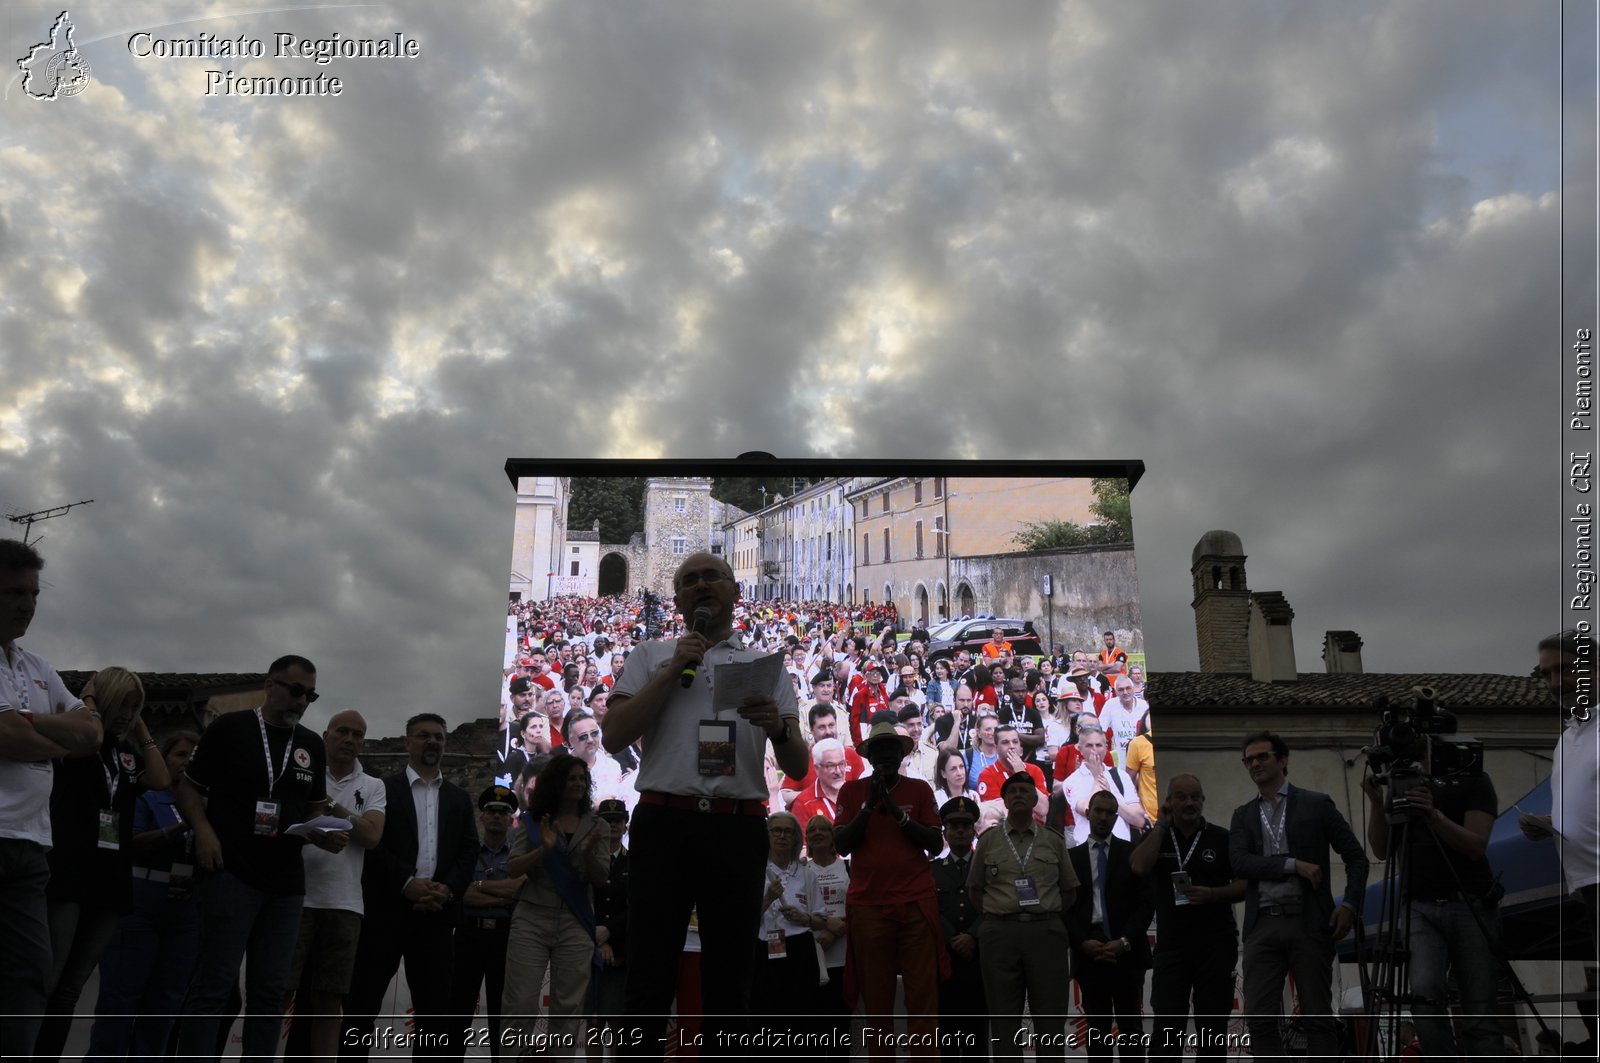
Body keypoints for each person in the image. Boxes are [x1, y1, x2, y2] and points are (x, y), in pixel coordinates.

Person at [601, 551, 807, 1054]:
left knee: (731, 978)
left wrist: (777, 727)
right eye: (689, 581)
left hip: (735, 829)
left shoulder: (765, 666)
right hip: (663, 822)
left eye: (712, 576)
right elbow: (613, 735)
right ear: (677, 601)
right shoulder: (651, 655)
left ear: (736, 593)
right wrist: (673, 671)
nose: (701, 586)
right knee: (648, 973)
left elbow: (798, 766)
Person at [175, 655, 327, 1063]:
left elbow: (313, 811)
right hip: (231, 873)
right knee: (214, 986)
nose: (301, 701)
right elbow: (188, 790)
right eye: (295, 691)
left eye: (310, 695)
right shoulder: (229, 728)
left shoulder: (311, 745)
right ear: (270, 685)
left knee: (271, 993)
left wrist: (325, 833)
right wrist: (204, 833)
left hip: (286, 885)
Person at [36, 667, 171, 1060]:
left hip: (110, 880)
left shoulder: (128, 754)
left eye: (135, 706)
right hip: (69, 872)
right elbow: (87, 737)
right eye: (122, 704)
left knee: (72, 986)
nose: (127, 713)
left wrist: (141, 724)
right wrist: (91, 704)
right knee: (49, 978)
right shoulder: (79, 741)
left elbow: (161, 779)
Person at [0, 538, 101, 1057]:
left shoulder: (37, 664)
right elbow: (10, 738)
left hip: (32, 847)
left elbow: (92, 735)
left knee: (30, 979)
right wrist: (52, 735)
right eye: (15, 592)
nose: (28, 604)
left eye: (34, 593)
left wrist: (29, 724)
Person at [341, 713, 478, 1059]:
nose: (432, 742)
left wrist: (447, 889)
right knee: (361, 1007)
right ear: (407, 742)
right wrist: (406, 883)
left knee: (433, 1016)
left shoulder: (459, 798)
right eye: (423, 736)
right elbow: (373, 846)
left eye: (438, 737)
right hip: (385, 914)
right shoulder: (382, 789)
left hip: (437, 916)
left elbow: (468, 849)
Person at [1229, 731, 1368, 1062]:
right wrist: (1293, 864)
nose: (1256, 763)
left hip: (1308, 923)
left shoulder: (1316, 803)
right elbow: (1239, 863)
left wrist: (1349, 905)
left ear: (1283, 760)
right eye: (1249, 759)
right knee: (1260, 1020)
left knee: (1318, 1019)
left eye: (1263, 756)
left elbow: (1357, 858)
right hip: (1262, 926)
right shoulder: (1244, 814)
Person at [1361, 757, 1501, 1057]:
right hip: (1418, 906)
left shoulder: (1472, 779)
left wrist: (1433, 815)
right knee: (1423, 998)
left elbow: (1476, 846)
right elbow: (1381, 849)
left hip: (1469, 902)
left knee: (1479, 1011)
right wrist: (1376, 802)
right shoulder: (1399, 784)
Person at [87, 729, 203, 1059]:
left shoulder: (205, 804)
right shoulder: (146, 795)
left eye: (194, 758)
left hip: (184, 908)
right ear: (164, 759)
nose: (187, 762)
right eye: (180, 755)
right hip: (142, 899)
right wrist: (179, 828)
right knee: (121, 997)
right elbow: (130, 843)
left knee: (167, 1001)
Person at [832, 720, 945, 1057]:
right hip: (870, 905)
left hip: (915, 903)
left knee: (922, 1000)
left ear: (901, 754)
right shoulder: (851, 792)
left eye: (890, 749)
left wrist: (897, 814)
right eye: (878, 750)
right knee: (876, 1002)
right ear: (868, 757)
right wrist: (869, 805)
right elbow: (841, 844)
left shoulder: (920, 789)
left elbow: (936, 843)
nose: (884, 756)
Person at [284, 709, 388, 1062]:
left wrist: (327, 804)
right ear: (326, 735)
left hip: (344, 904)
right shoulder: (301, 774)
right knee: (279, 991)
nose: (349, 739)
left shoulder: (373, 785)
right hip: (294, 895)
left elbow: (372, 836)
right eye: (342, 731)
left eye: (357, 734)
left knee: (330, 998)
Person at [1129, 774, 1243, 1062]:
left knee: (1212, 1029)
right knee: (1167, 1029)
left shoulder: (1221, 837)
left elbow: (1245, 885)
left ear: (1203, 801)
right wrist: (1161, 825)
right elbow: (1139, 867)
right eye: (1181, 796)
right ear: (1169, 802)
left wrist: (1214, 894)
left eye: (1195, 796)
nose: (1189, 802)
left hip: (1216, 945)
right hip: (1172, 947)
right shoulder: (1159, 836)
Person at [501, 753, 610, 1053]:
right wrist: (543, 850)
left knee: (567, 1011)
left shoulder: (596, 823)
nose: (577, 783)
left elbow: (601, 879)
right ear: (557, 782)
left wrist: (588, 854)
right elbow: (513, 868)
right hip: (531, 918)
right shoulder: (535, 820)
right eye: (571, 777)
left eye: (581, 778)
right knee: (520, 1006)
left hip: (575, 923)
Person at [969, 770, 1079, 1063]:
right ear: (1004, 800)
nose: (1018, 795)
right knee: (1004, 1020)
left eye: (1024, 791)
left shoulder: (1053, 841)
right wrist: (1001, 916)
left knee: (1050, 1020)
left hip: (1045, 933)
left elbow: (1069, 891)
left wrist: (1043, 914)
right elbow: (975, 891)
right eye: (1012, 791)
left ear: (1034, 799)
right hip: (1000, 935)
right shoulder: (988, 841)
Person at [1521, 629, 1600, 962]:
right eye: (1547, 674)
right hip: (1588, 886)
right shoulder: (1566, 739)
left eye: (1565, 669)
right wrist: (1553, 824)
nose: (1555, 683)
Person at [1068, 790, 1154, 1060]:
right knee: (1098, 1031)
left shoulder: (1132, 853)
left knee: (1131, 1030)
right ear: (1088, 813)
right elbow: (1066, 908)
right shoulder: (1073, 858)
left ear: (1117, 817)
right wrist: (1082, 942)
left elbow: (1145, 904)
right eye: (1098, 811)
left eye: (1109, 812)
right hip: (1089, 949)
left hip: (1126, 949)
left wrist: (1125, 941)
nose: (1103, 817)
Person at [444, 784, 523, 1063]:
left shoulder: (517, 857)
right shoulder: (467, 854)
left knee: (501, 1016)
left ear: (511, 819)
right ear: (482, 817)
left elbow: (518, 892)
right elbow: (463, 895)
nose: (497, 817)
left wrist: (481, 888)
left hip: (504, 940)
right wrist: (500, 895)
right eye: (491, 811)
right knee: (458, 1012)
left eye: (503, 812)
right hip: (468, 936)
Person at [750, 810, 825, 1030]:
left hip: (799, 949)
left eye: (788, 832)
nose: (782, 836)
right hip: (764, 950)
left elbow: (821, 920)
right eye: (776, 830)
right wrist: (768, 899)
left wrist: (804, 918)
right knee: (764, 1018)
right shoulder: (756, 873)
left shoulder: (806, 873)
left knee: (801, 1017)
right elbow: (744, 923)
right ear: (768, 836)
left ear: (796, 839)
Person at [931, 796, 986, 1058]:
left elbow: (994, 904)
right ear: (945, 832)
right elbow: (931, 911)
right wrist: (953, 938)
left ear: (974, 831)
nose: (961, 830)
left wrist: (972, 936)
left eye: (966, 825)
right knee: (950, 1044)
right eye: (954, 826)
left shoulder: (988, 867)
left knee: (977, 1044)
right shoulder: (932, 870)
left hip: (979, 963)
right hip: (947, 964)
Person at [805, 814, 852, 1052]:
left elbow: (859, 908)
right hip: (813, 957)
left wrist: (835, 932)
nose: (818, 833)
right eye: (812, 830)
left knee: (839, 1032)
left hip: (843, 959)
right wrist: (825, 925)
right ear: (807, 839)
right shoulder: (802, 871)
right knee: (814, 1032)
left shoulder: (848, 867)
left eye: (824, 829)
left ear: (833, 837)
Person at [589, 798, 633, 1045]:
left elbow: (636, 907)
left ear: (626, 825)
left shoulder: (634, 863)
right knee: (593, 1024)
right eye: (607, 821)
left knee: (617, 1022)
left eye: (618, 821)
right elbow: (582, 900)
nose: (613, 825)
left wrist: (610, 933)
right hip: (588, 947)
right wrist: (597, 937)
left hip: (620, 952)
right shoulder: (587, 859)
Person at [1062, 722, 1146, 844]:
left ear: (1106, 747)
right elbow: (1087, 811)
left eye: (1099, 745)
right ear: (1079, 749)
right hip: (1088, 848)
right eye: (1089, 745)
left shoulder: (1121, 776)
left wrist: (1112, 794)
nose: (1094, 750)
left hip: (1120, 848)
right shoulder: (1072, 781)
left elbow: (1138, 820)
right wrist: (1097, 778)